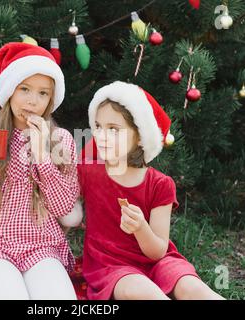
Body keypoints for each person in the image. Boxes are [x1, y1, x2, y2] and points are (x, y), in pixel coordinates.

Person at [0, 42, 82, 300]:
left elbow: (63, 208)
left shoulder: (60, 139)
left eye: (43, 93)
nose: (33, 101)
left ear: (51, 99)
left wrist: (43, 156)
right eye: (24, 89)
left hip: (41, 244)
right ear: (10, 92)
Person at [76, 81, 225, 300]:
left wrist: (141, 228)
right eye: (98, 126)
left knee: (194, 289)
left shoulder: (160, 184)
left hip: (158, 261)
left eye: (113, 129)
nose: (101, 136)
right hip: (112, 265)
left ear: (139, 136)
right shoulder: (88, 173)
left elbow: (157, 251)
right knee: (140, 291)